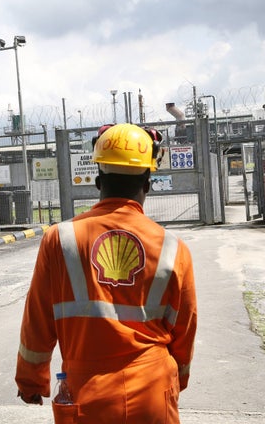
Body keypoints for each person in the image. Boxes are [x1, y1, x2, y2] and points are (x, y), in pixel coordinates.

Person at [15, 123, 197, 423]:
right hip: (152, 391)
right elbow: (184, 328)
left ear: (98, 182)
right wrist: (178, 379)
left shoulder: (60, 239)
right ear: (147, 184)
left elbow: (37, 320)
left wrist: (31, 381)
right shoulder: (173, 248)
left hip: (86, 396)